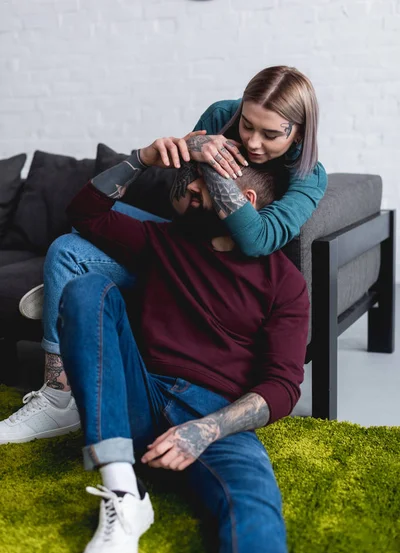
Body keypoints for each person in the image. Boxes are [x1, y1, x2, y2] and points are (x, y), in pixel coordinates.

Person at [0, 64, 324, 443]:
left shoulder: (309, 176)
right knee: (74, 239)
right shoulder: (222, 115)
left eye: (270, 135)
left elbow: (258, 240)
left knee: (94, 236)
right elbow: (180, 199)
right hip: (183, 242)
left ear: (299, 132)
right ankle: (59, 393)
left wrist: (213, 166)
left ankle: (81, 297)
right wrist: (173, 156)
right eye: (248, 125)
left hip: (229, 271)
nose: (252, 142)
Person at [55, 139, 309, 553]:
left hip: (216, 415)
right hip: (140, 392)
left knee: (254, 505)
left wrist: (206, 430)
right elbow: (85, 213)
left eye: (206, 178)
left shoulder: (285, 282)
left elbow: (283, 385)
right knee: (86, 288)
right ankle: (123, 494)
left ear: (245, 201)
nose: (190, 184)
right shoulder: (167, 239)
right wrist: (143, 158)